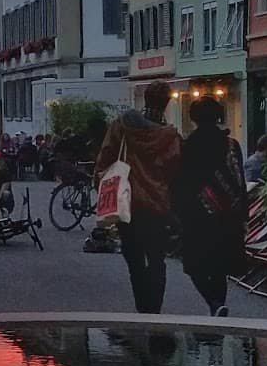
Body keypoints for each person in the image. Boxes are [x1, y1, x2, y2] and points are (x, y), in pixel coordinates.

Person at [93, 80, 182, 313]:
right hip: (157, 205)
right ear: (167, 103)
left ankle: (142, 307)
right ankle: (154, 311)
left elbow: (105, 158)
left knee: (133, 258)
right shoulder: (170, 137)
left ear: (145, 98)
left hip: (127, 202)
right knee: (156, 259)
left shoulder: (123, 126)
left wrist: (101, 186)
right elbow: (176, 173)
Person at [173, 97, 247, 316]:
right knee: (220, 266)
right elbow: (239, 180)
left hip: (197, 216)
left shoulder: (188, 146)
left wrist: (178, 214)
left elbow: (182, 183)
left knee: (194, 265)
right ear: (218, 115)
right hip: (229, 215)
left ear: (193, 118)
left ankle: (214, 304)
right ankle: (218, 307)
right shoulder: (231, 145)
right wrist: (243, 214)